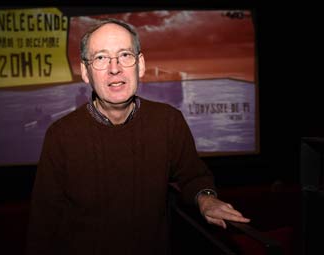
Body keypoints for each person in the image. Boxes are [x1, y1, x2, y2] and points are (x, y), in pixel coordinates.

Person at [26, 18, 250, 255]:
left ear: (140, 65)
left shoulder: (168, 122)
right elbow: (43, 225)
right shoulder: (61, 136)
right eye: (101, 58)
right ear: (85, 72)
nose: (115, 68)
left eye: (125, 55)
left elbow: (193, 176)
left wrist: (206, 199)